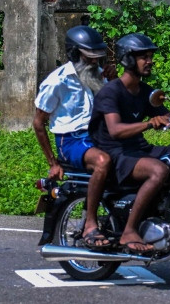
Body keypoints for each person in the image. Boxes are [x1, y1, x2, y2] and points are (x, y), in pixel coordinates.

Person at [89, 32, 170, 257]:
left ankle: (164, 216)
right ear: (128, 59)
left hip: (138, 150)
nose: (150, 61)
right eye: (143, 56)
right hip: (115, 153)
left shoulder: (145, 92)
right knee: (158, 170)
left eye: (150, 56)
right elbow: (115, 130)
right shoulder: (111, 91)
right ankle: (129, 230)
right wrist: (147, 124)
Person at [33, 25, 116, 250]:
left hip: (99, 136)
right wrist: (53, 162)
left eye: (98, 58)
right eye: (89, 58)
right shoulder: (57, 81)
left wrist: (116, 81)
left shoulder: (101, 77)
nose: (95, 63)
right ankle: (90, 223)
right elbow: (38, 123)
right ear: (74, 54)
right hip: (70, 140)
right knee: (102, 162)